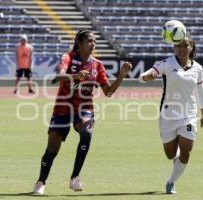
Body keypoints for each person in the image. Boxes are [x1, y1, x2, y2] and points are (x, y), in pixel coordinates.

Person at [32, 30, 132, 195]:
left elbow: (108, 92)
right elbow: (58, 76)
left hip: (84, 108)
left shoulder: (97, 65)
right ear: (78, 43)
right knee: (52, 149)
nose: (93, 44)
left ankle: (75, 177)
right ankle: (41, 181)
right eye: (89, 41)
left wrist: (121, 76)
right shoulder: (68, 57)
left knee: (87, 133)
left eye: (94, 42)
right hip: (63, 107)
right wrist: (76, 76)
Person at [139, 33, 203, 194]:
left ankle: (171, 182)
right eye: (178, 45)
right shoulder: (166, 63)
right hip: (168, 116)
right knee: (170, 155)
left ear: (191, 47)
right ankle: (175, 161)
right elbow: (143, 77)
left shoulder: (198, 68)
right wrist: (147, 77)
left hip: (189, 116)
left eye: (186, 45)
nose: (182, 49)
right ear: (174, 47)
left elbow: (200, 90)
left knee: (186, 152)